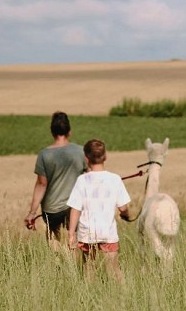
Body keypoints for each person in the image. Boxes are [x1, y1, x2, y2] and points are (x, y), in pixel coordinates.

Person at [67, 139, 131, 282]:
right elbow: (123, 207)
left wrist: (71, 233)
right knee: (114, 269)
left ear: (86, 158)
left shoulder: (82, 180)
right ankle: (124, 296)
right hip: (108, 232)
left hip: (87, 232)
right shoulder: (115, 179)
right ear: (105, 156)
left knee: (88, 268)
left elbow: (75, 208)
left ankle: (90, 297)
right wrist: (126, 214)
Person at [25, 111, 87, 252]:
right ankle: (74, 271)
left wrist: (32, 212)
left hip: (51, 208)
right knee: (74, 237)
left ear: (52, 132)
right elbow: (90, 177)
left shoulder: (44, 154)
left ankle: (58, 268)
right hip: (74, 205)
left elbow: (41, 184)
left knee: (54, 239)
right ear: (69, 131)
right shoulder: (81, 151)